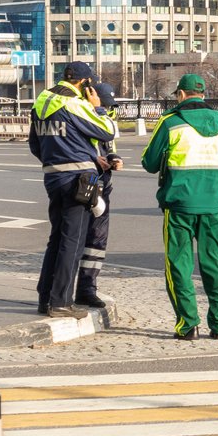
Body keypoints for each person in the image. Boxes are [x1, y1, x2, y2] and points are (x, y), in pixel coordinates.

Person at [142, 73, 218, 341]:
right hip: (213, 203)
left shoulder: (170, 122)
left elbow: (149, 163)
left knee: (179, 266)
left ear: (180, 94)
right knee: (215, 265)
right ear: (203, 94)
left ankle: (187, 324)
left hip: (179, 205)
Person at [29, 62, 118, 319]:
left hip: (53, 176)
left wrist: (56, 160)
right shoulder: (75, 104)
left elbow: (35, 145)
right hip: (78, 178)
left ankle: (45, 297)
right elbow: (108, 130)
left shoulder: (42, 101)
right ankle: (61, 302)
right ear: (85, 83)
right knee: (73, 241)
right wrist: (97, 107)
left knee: (56, 239)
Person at [75, 81, 125, 307]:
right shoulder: (83, 117)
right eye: (105, 104)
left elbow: (109, 147)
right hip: (86, 181)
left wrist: (115, 159)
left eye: (110, 106)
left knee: (96, 240)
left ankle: (87, 288)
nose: (108, 110)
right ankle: (63, 290)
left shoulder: (105, 120)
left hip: (103, 182)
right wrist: (94, 160)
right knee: (75, 238)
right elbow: (74, 147)